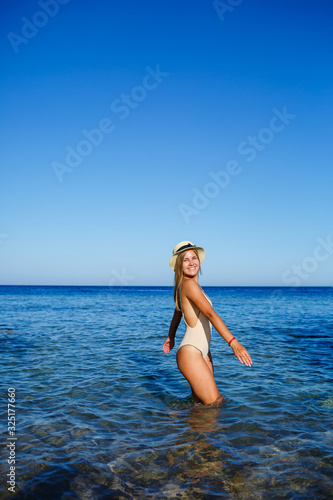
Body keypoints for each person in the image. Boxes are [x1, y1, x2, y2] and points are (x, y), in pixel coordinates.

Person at [163, 241, 252, 406]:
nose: (191, 263)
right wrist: (234, 343)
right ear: (179, 265)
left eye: (194, 258)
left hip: (202, 352)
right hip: (191, 353)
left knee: (200, 406)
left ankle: (179, 427)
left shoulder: (188, 286)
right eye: (185, 260)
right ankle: (175, 424)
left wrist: (171, 336)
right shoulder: (189, 285)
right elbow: (210, 314)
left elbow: (177, 312)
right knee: (215, 403)